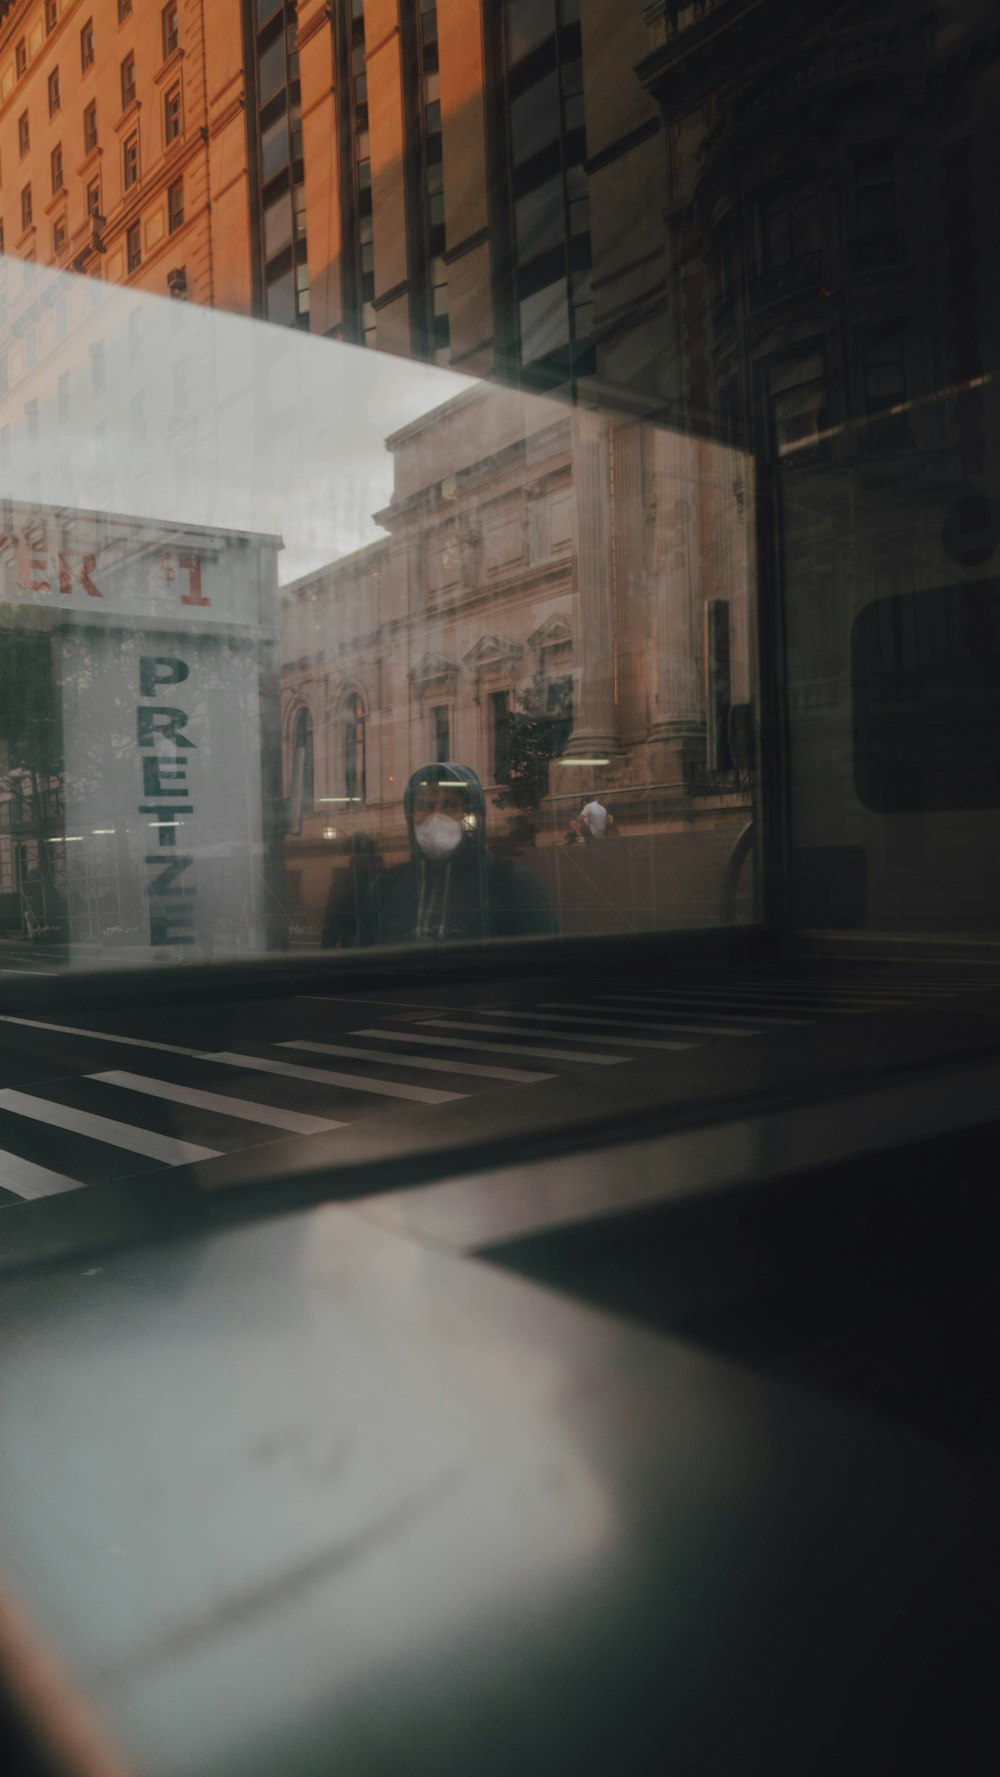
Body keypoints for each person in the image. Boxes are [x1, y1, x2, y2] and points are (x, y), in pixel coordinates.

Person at [358, 762, 557, 946]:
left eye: (450, 806)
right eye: (425, 806)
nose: (436, 817)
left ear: (466, 812)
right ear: (411, 815)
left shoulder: (509, 881)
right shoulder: (386, 887)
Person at [321, 834, 384, 949]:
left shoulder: (344, 878)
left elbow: (333, 919)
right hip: (382, 949)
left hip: (351, 946)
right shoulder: (385, 876)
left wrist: (326, 950)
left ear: (352, 852)